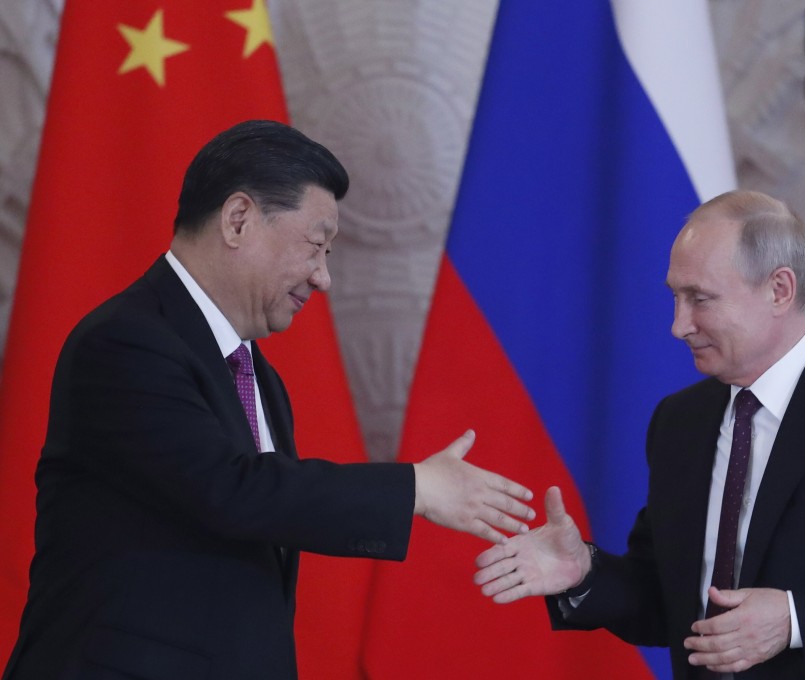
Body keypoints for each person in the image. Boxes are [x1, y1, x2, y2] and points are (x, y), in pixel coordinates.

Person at [2, 119, 535, 680]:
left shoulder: (259, 376)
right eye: (316, 245)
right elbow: (230, 490)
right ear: (238, 220)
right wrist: (416, 488)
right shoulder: (126, 342)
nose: (323, 277)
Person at [474, 190, 805, 679]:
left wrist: (795, 620)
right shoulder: (679, 421)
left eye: (700, 299)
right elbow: (669, 605)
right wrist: (583, 572)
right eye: (675, 298)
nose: (678, 326)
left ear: (779, 289)